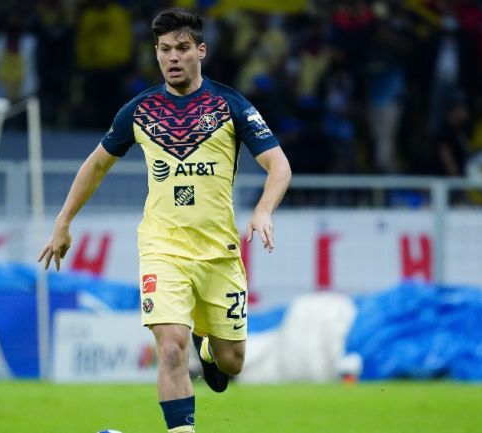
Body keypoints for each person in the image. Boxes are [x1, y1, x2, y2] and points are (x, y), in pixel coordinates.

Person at [37, 8, 291, 433]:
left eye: (183, 48)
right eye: (164, 50)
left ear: (201, 51)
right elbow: (96, 166)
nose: (173, 57)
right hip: (163, 249)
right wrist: (63, 222)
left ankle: (208, 349)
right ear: (156, 54)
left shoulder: (230, 105)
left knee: (233, 362)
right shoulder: (139, 111)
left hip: (219, 255)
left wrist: (263, 209)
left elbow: (278, 165)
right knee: (171, 346)